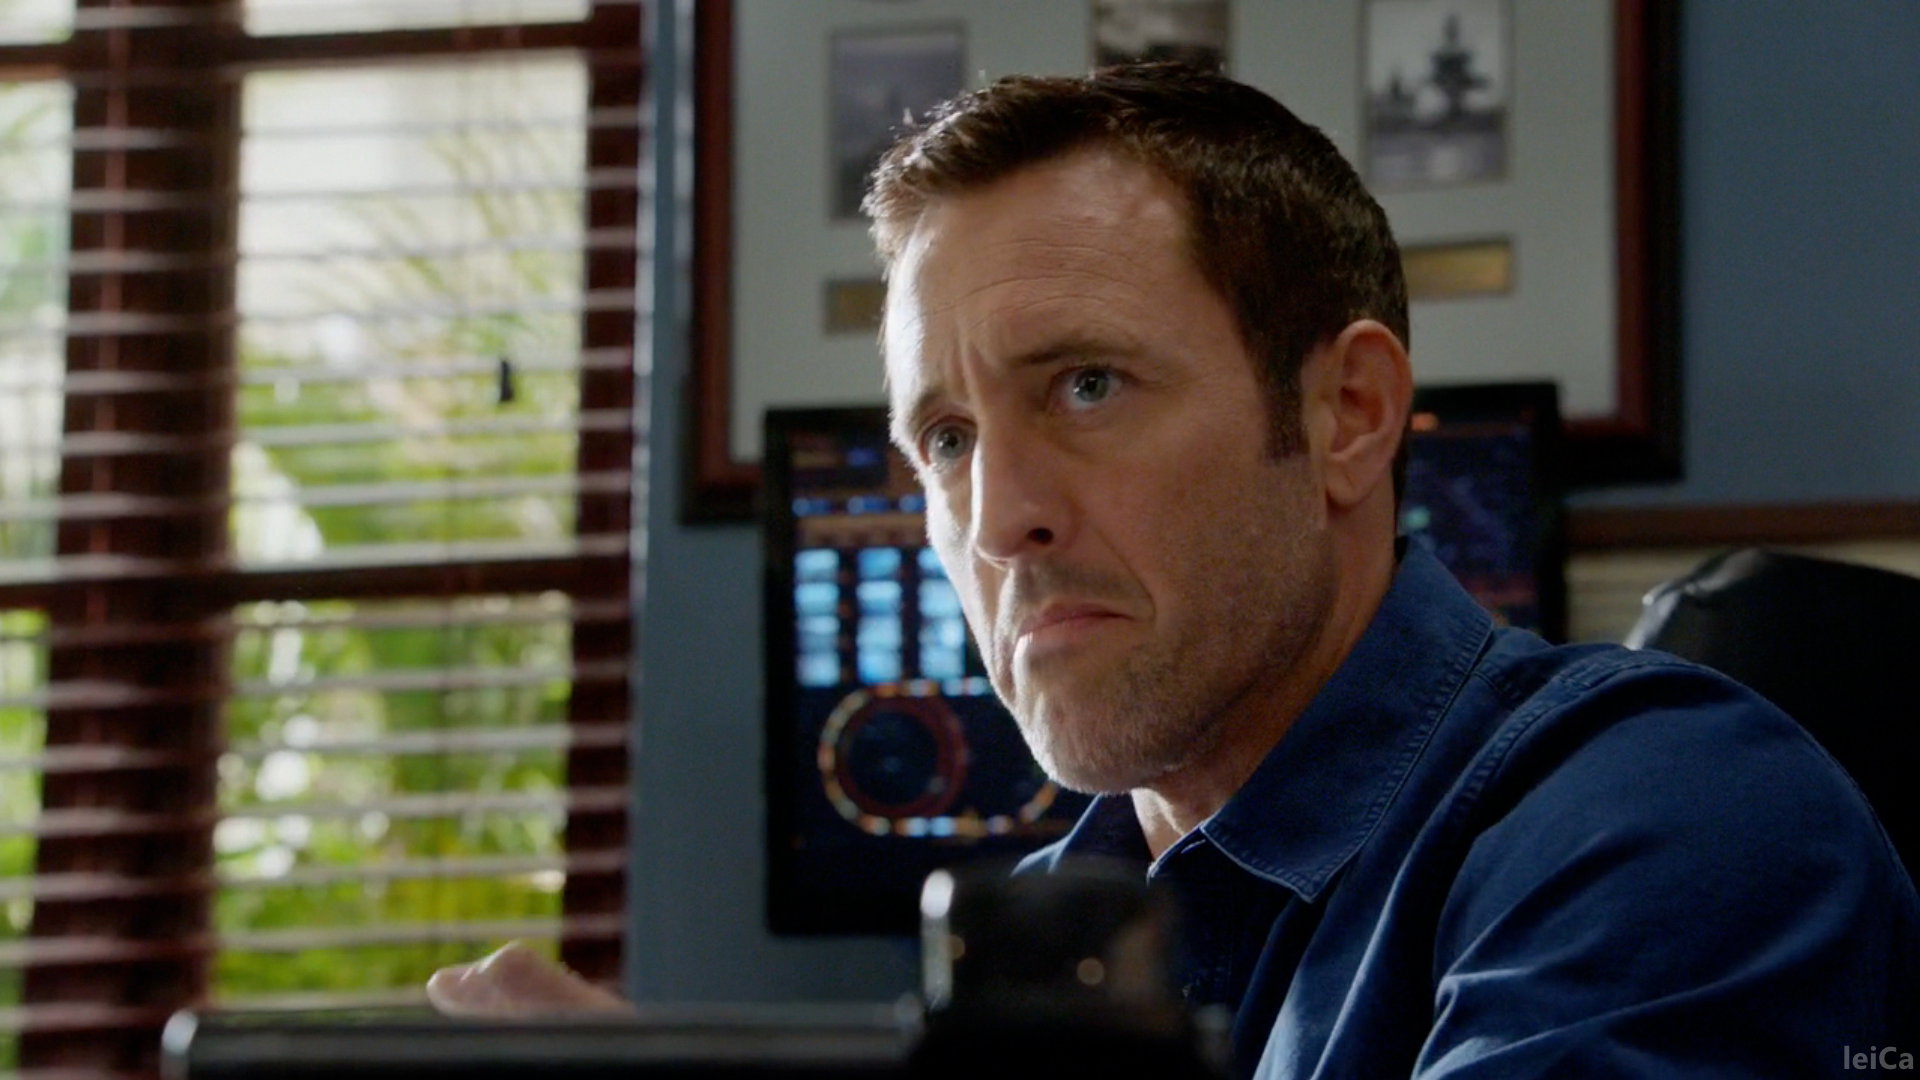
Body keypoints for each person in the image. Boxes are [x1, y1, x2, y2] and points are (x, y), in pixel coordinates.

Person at [429, 64, 1919, 1074]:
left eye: (1086, 387)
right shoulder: (1047, 938)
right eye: (946, 438)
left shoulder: (1676, 823)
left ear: (1347, 415)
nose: (998, 517)